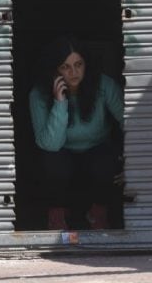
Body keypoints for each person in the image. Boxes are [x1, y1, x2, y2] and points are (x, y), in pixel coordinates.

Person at [28, 36, 124, 230]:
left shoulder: (104, 86)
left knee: (107, 160)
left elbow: (129, 122)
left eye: (78, 64)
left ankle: (98, 213)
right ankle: (56, 214)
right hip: (61, 155)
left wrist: (136, 161)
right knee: (53, 161)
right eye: (65, 67)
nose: (74, 72)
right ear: (54, 69)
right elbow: (51, 144)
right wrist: (60, 102)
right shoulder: (38, 94)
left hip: (96, 151)